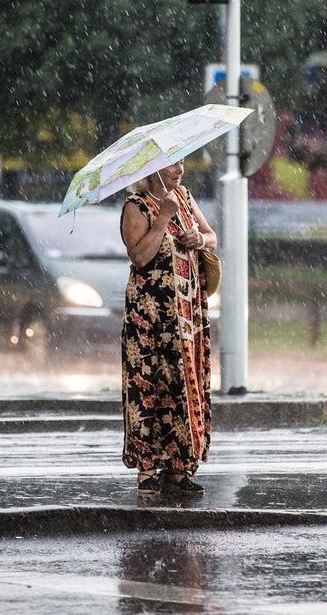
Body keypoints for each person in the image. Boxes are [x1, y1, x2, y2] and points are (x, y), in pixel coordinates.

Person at [118, 160, 217, 496]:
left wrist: (198, 238)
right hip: (151, 320)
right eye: (172, 164)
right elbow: (140, 257)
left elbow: (211, 237)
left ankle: (178, 469)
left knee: (182, 387)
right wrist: (162, 219)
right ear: (152, 170)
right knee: (150, 387)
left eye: (182, 161)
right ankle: (147, 471)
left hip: (187, 317)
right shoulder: (137, 206)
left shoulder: (185, 197)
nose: (180, 169)